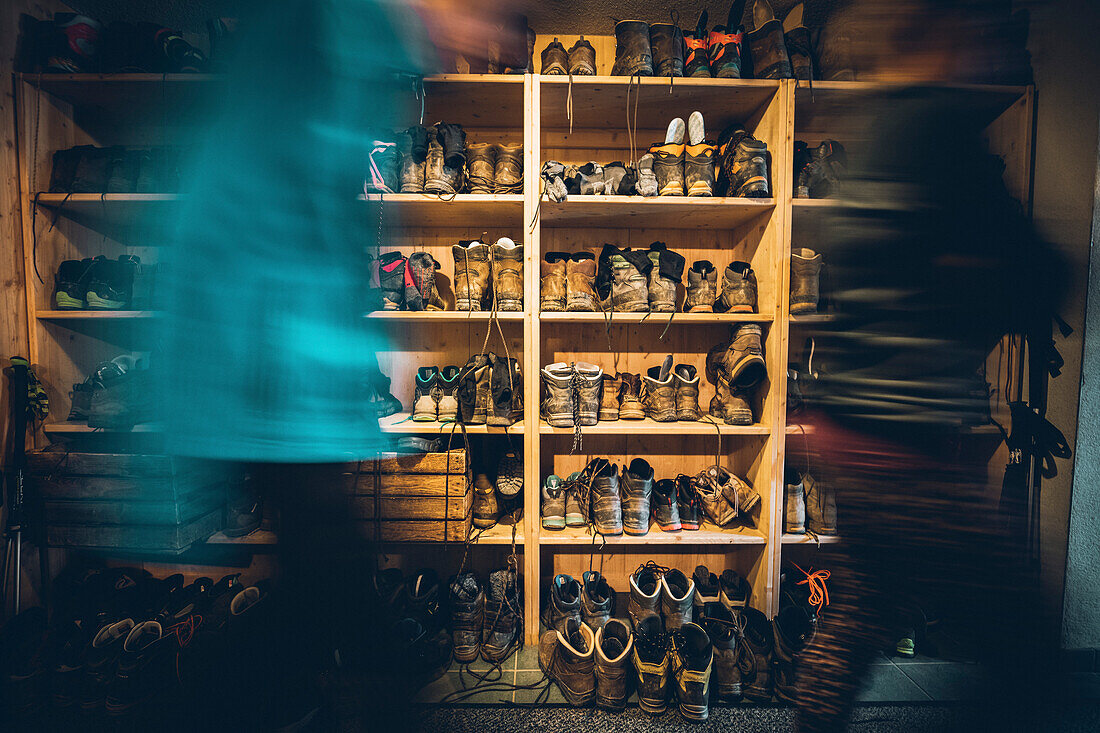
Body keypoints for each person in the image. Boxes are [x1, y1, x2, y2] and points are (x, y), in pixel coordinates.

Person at [791, 2, 1064, 731]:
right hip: (904, 442)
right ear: (946, 40)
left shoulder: (870, 144)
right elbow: (1037, 270)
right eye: (976, 37)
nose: (986, 51)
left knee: (860, 614)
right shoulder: (940, 132)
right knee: (1027, 643)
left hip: (845, 427)